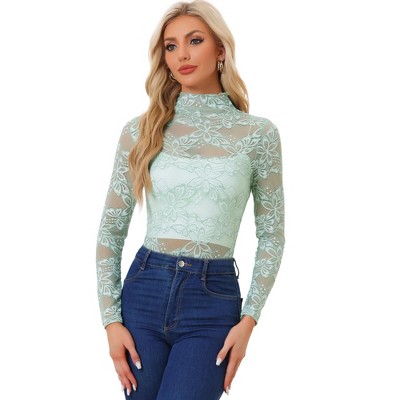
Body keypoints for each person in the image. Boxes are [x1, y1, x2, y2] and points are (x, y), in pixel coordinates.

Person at [96, 1, 285, 398]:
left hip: (212, 301)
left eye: (194, 41)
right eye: (171, 46)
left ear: (221, 50)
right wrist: (111, 320)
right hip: (144, 290)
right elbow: (111, 230)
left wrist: (249, 319)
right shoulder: (140, 131)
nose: (181, 54)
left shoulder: (258, 134)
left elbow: (271, 234)